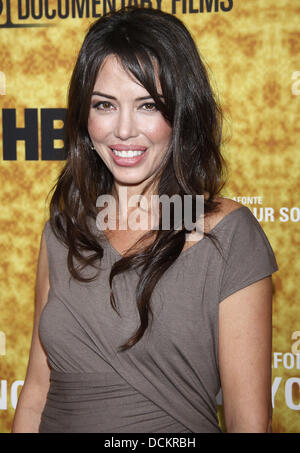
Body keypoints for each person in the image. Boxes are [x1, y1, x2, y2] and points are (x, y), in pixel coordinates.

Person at [12, 6, 279, 433]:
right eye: (105, 104)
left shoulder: (226, 234)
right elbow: (35, 395)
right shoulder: (65, 231)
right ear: (84, 116)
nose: (123, 130)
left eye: (148, 106)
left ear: (181, 113)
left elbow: (250, 423)